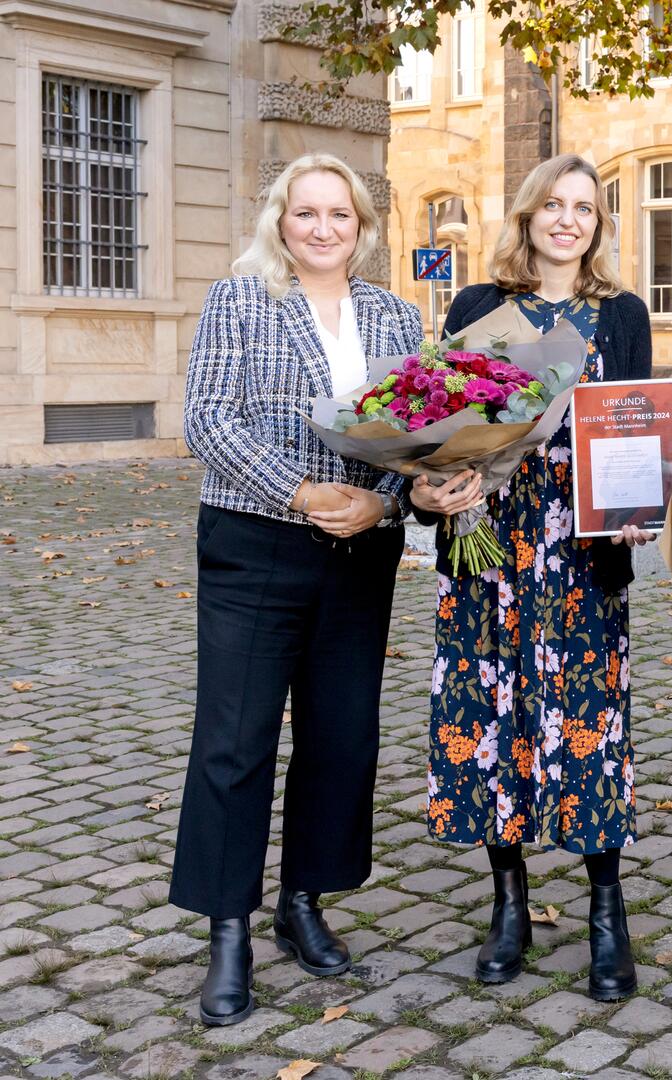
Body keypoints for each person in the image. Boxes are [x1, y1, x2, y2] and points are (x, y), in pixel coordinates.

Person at [174, 154, 421, 1026]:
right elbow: (208, 417)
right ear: (282, 221)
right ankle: (229, 931)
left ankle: (304, 903)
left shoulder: (397, 315)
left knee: (339, 738)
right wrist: (302, 491)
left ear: (363, 228)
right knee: (235, 743)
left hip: (359, 553)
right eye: (306, 213)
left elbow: (419, 436)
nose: (322, 229)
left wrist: (382, 498)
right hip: (254, 544)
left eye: (339, 216)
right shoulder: (241, 300)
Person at [409, 155, 654, 1001]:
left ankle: (605, 909)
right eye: (552, 204)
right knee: (490, 708)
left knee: (588, 713)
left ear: (597, 224)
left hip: (582, 541)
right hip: (489, 535)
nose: (566, 220)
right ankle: (507, 900)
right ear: (527, 214)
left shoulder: (621, 313)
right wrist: (441, 483)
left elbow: (633, 425)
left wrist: (638, 505)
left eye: (583, 208)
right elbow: (435, 417)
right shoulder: (479, 306)